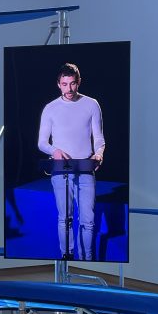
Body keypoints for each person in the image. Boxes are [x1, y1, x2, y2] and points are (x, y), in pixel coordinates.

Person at [37, 63, 104, 260]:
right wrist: (54, 150)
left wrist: (99, 154)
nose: (69, 89)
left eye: (73, 83)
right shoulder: (50, 108)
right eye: (65, 84)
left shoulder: (91, 104)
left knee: (88, 220)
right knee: (64, 218)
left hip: (85, 167)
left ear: (79, 82)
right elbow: (42, 142)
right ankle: (66, 258)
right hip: (61, 169)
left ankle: (87, 260)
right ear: (58, 84)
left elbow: (99, 138)